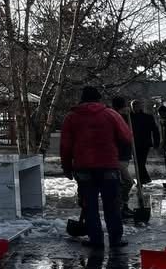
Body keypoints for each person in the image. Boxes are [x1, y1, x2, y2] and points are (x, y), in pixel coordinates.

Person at [61, 86, 133, 249]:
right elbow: (127, 137)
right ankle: (115, 239)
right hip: (108, 166)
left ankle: (96, 240)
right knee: (112, 205)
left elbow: (65, 146)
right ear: (99, 99)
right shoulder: (111, 114)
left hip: (83, 168)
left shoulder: (71, 117)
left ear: (82, 99)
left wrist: (67, 167)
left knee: (89, 205)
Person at [110, 96, 134, 214]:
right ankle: (120, 205)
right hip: (117, 156)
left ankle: (122, 206)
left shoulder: (125, 117)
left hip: (124, 155)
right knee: (127, 182)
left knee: (122, 182)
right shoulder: (115, 117)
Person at [130, 99, 160, 184]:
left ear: (140, 107)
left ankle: (143, 180)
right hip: (134, 143)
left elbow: (155, 130)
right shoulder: (129, 117)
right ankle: (144, 179)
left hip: (144, 143)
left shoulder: (147, 117)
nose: (135, 108)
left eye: (136, 106)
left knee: (140, 162)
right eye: (133, 107)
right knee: (138, 162)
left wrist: (156, 142)